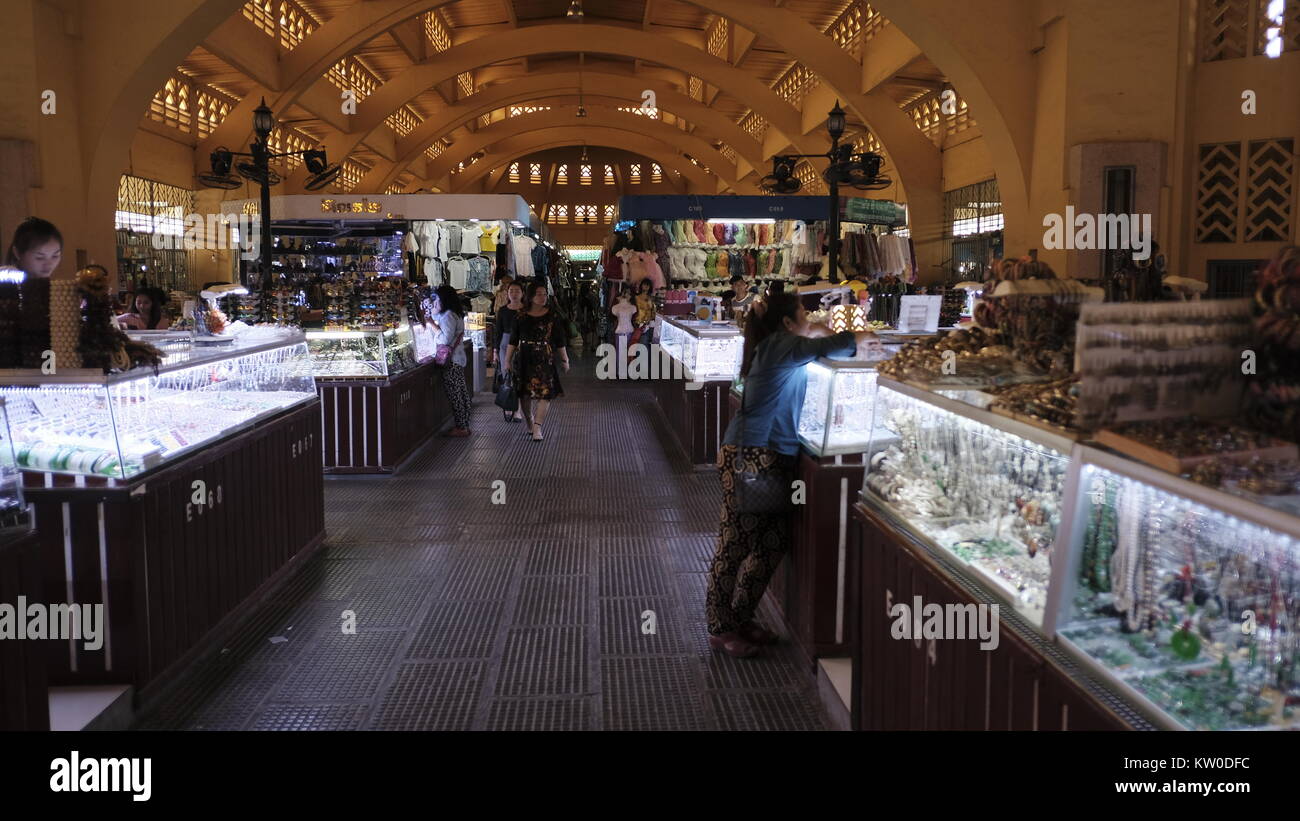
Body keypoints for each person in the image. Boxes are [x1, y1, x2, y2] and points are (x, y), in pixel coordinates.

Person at [707, 284, 878, 658]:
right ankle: (720, 628)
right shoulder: (782, 346)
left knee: (770, 543)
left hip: (771, 454)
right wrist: (861, 334)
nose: (809, 317)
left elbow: (817, 342)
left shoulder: (780, 345)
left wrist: (817, 329)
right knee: (735, 543)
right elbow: (833, 346)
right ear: (787, 322)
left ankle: (740, 617)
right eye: (804, 313)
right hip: (751, 455)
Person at [506, 280, 570, 442]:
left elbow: (559, 338)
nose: (542, 297)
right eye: (538, 294)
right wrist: (507, 360)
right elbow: (513, 340)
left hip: (545, 356)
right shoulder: (520, 315)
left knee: (545, 393)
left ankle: (538, 426)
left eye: (544, 294)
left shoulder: (552, 314)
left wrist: (565, 359)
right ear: (531, 296)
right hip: (524, 356)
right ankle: (529, 420)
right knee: (525, 394)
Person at [431, 284, 472, 437]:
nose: (436, 302)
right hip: (458, 357)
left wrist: (430, 324)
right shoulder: (456, 313)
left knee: (455, 394)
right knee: (462, 392)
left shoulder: (448, 315)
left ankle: (461, 427)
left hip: (451, 360)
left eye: (437, 299)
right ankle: (465, 424)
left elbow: (445, 339)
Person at [492, 280, 526, 422]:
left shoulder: (526, 310)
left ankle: (518, 409)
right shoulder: (503, 310)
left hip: (523, 344)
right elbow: (498, 332)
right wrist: (495, 351)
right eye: (511, 291)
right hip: (505, 343)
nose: (514, 293)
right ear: (507, 293)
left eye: (517, 291)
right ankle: (508, 406)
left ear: (522, 293)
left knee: (520, 377)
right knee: (507, 376)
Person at [610, 289, 637, 362]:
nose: (626, 295)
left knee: (629, 353)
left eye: (628, 293)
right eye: (624, 293)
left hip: (630, 332)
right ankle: (620, 371)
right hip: (620, 331)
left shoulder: (633, 307)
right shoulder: (615, 307)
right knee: (620, 353)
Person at [634, 278, 657, 344]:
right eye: (645, 284)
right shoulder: (636, 298)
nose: (646, 287)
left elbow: (653, 312)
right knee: (641, 344)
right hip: (638, 324)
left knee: (647, 345)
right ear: (641, 285)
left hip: (649, 325)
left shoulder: (651, 299)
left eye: (648, 285)